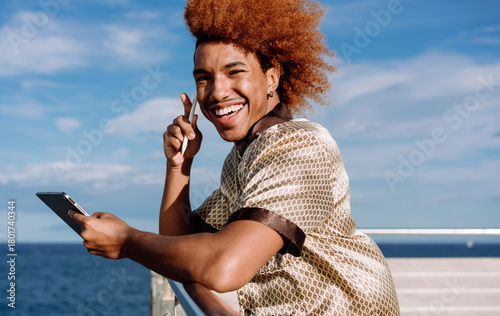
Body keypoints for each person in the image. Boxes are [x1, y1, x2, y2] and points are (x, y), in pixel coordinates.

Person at [70, 0, 400, 314]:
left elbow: (222, 267)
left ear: (272, 77)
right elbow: (181, 243)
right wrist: (179, 165)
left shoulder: (302, 145)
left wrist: (127, 242)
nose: (216, 92)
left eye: (234, 71)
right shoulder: (243, 156)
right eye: (204, 78)